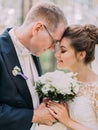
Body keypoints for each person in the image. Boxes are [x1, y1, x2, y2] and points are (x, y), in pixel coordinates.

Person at [0, 2, 67, 130]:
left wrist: (42, 102)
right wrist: (33, 116)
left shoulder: (34, 52)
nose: (53, 49)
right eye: (54, 41)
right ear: (37, 28)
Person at [36, 24, 98, 130]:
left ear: (81, 55)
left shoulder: (95, 88)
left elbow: (66, 120)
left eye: (63, 50)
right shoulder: (64, 83)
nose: (57, 54)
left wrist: (67, 121)